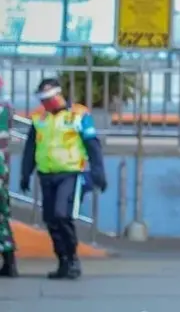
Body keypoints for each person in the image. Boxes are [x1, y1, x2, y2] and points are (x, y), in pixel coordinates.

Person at [20, 78, 107, 280]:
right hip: (46, 173)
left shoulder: (79, 114)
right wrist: (26, 174)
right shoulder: (38, 118)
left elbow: (92, 144)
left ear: (59, 95)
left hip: (70, 172)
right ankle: (62, 261)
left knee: (62, 215)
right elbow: (30, 148)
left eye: (48, 98)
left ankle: (73, 258)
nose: (45, 103)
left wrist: (98, 172)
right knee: (50, 219)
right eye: (42, 99)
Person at [0, 76, 18, 277]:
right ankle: (9, 259)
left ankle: (9, 261)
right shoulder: (7, 107)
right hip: (2, 167)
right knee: (2, 214)